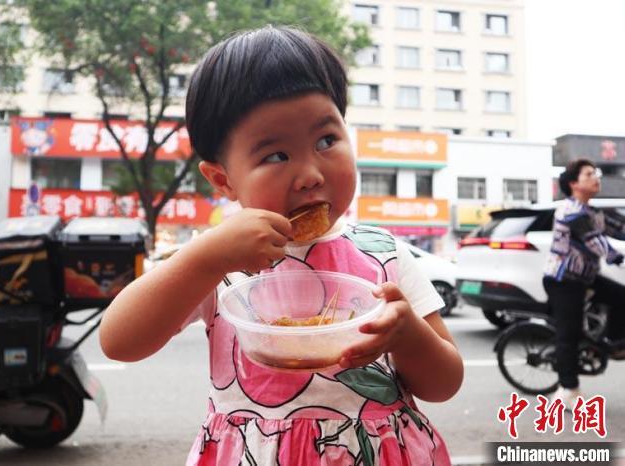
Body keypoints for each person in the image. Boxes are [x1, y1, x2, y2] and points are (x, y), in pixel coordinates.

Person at [99, 26, 463, 465]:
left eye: (327, 140)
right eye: (276, 155)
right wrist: (205, 257)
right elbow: (119, 342)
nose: (310, 173)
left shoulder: (382, 253)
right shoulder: (218, 260)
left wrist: (407, 335)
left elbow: (444, 384)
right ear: (223, 179)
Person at [544, 158, 625, 409]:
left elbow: (619, 227)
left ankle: (614, 343)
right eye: (589, 174)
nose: (596, 177)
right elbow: (596, 243)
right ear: (573, 184)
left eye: (596, 173)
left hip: (585, 278)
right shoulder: (571, 212)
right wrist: (619, 258)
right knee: (569, 334)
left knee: (622, 297)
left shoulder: (592, 211)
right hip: (563, 281)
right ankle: (567, 390)